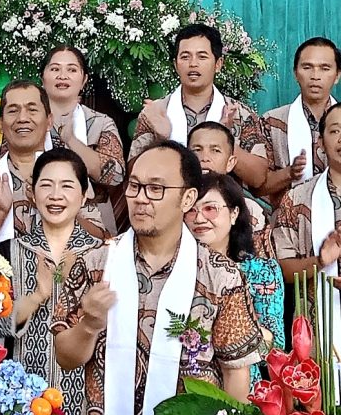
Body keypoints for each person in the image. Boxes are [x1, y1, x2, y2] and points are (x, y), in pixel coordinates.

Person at [54, 141, 262, 415]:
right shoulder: (95, 264)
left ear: (188, 198)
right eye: (134, 186)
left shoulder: (221, 276)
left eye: (156, 188)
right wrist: (89, 324)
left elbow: (235, 370)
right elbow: (65, 357)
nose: (141, 198)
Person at [0, 149, 108, 415]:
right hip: (24, 393)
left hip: (85, 397)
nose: (55, 195)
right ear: (32, 192)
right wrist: (38, 296)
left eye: (67, 185)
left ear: (84, 194)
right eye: (46, 185)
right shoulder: (10, 251)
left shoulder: (102, 254)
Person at [0, 79, 106, 252]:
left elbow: (100, 237)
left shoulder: (72, 173)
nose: (22, 118)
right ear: (0, 124)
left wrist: (58, 209)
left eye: (32, 110)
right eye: (13, 111)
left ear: (49, 121)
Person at [128, 24, 268, 191]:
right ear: (175, 64)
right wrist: (161, 140)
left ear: (218, 64)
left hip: (221, 203)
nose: (193, 64)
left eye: (202, 57)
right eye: (185, 57)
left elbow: (259, 178)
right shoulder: (156, 112)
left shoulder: (239, 113)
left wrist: (224, 140)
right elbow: (133, 175)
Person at [185, 172, 284, 387]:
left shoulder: (262, 271)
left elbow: (274, 348)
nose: (199, 218)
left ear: (233, 213)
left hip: (245, 388)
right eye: (191, 210)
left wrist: (229, 330)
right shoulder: (175, 271)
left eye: (210, 208)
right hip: (184, 386)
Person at [273, 103, 341, 351]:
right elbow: (284, 269)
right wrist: (320, 261)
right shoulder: (297, 198)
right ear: (320, 143)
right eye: (335, 131)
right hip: (317, 337)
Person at [39, 45, 125, 233]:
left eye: (71, 70)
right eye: (55, 69)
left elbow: (116, 176)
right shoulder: (28, 122)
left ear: (84, 79)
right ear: (42, 78)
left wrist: (72, 141)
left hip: (92, 219)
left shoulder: (101, 123)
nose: (62, 76)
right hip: (36, 214)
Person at [259, 37, 341, 205]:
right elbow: (259, 187)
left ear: (337, 75)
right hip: (288, 217)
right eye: (307, 67)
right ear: (296, 73)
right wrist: (290, 173)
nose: (315, 76)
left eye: (325, 68)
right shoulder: (271, 122)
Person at [187, 121, 273, 257]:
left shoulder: (252, 210)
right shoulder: (173, 203)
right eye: (197, 150)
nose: (205, 158)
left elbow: (260, 261)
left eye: (215, 150)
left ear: (230, 163)